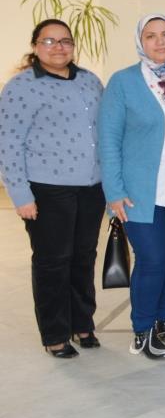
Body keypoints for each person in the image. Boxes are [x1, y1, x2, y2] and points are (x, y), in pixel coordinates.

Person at [0, 19, 105, 358]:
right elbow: (8, 143)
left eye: (65, 41)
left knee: (83, 257)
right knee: (52, 261)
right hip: (47, 190)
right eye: (49, 41)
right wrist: (20, 194)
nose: (58, 47)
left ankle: (82, 323)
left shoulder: (89, 81)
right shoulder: (21, 87)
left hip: (91, 187)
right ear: (35, 46)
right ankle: (55, 333)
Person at [98, 14, 165, 359]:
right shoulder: (123, 82)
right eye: (151, 36)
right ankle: (143, 328)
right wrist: (114, 191)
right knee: (153, 257)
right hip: (139, 190)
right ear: (140, 41)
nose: (159, 41)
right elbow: (108, 139)